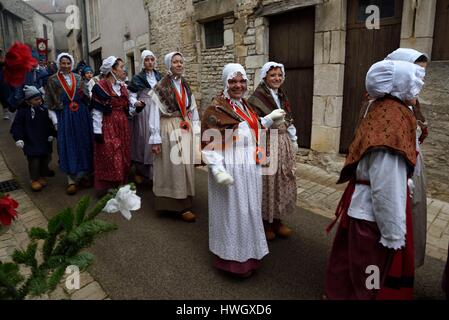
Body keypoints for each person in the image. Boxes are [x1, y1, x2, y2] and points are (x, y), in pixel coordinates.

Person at [324, 60, 425, 300]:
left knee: (352, 267)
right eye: (413, 82)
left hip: (361, 208)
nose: (417, 88)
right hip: (372, 216)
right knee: (369, 277)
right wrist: (392, 232)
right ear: (398, 85)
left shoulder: (383, 108)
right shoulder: (391, 121)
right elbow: (386, 183)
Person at [201, 63, 286, 277]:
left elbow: (251, 126)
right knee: (232, 213)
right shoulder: (216, 109)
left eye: (241, 81)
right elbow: (209, 145)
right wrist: (218, 170)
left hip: (249, 167)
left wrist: (268, 119)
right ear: (225, 83)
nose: (238, 86)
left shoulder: (245, 105)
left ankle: (249, 254)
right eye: (233, 81)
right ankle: (231, 260)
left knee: (248, 211)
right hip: (230, 166)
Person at [384, 48, 429, 268]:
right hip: (393, 174)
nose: (421, 81)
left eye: (423, 75)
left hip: (411, 167)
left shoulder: (411, 101)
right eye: (416, 74)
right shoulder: (385, 108)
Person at [248, 61, 298, 241]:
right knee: (268, 182)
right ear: (264, 77)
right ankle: (265, 222)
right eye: (273, 75)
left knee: (282, 181)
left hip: (283, 142)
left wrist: (293, 140)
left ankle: (277, 220)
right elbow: (254, 124)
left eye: (279, 75)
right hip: (267, 142)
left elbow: (289, 119)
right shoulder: (256, 98)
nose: (277, 78)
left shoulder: (282, 96)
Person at [148, 52, 200, 222]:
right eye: (175, 62)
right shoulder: (160, 87)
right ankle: (173, 204)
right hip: (168, 126)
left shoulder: (185, 85)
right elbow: (154, 113)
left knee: (184, 165)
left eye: (181, 61)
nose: (179, 64)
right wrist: (155, 139)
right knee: (171, 167)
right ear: (169, 65)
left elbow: (193, 109)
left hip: (184, 125)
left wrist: (196, 129)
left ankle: (184, 201)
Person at [45, 53, 93, 195]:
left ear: (71, 64)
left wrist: (84, 95)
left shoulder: (78, 78)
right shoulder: (52, 80)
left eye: (68, 63)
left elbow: (87, 98)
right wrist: (55, 122)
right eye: (63, 63)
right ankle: (71, 180)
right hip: (64, 116)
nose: (65, 66)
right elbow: (49, 103)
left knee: (83, 144)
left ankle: (84, 175)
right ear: (59, 64)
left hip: (81, 115)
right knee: (68, 145)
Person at [90, 56, 139, 196]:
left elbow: (127, 109)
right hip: (108, 124)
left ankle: (121, 186)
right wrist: (97, 131)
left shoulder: (122, 87)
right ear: (112, 70)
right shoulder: (100, 87)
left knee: (123, 155)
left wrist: (137, 108)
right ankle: (111, 187)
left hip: (122, 124)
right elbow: (97, 111)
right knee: (112, 154)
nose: (125, 70)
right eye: (122, 67)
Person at [10, 86, 56, 191]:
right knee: (34, 161)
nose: (39, 101)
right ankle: (34, 179)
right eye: (36, 99)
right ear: (28, 101)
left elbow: (49, 123)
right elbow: (17, 125)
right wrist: (18, 138)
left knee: (45, 158)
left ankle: (42, 175)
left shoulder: (43, 109)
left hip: (43, 139)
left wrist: (51, 133)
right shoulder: (23, 112)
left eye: (40, 98)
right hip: (30, 140)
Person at [128, 50, 162, 184]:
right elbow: (131, 95)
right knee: (143, 138)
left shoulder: (160, 76)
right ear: (143, 62)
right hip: (144, 109)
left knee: (157, 138)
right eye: (147, 60)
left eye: (152, 59)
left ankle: (156, 171)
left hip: (158, 109)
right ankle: (141, 170)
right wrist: (135, 103)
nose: (150, 62)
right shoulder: (137, 78)